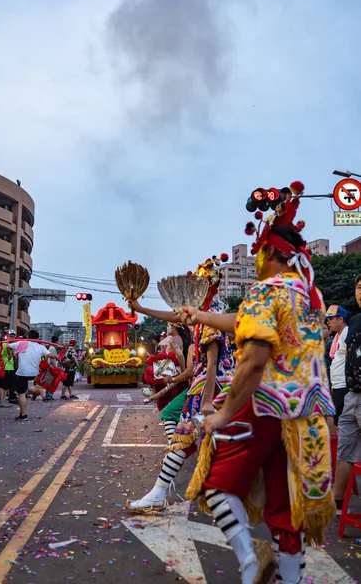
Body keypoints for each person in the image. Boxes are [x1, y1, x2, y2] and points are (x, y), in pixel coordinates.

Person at [182, 184, 335, 584]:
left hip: (265, 407)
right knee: (288, 512)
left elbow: (252, 362)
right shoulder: (309, 296)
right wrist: (200, 315)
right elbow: (241, 322)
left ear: (268, 254)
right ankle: (288, 577)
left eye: (257, 255)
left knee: (215, 483)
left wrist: (222, 414)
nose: (254, 262)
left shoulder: (266, 291)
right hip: (306, 417)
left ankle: (250, 560)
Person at [128, 254, 235, 512]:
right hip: (207, 387)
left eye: (197, 286)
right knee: (187, 439)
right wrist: (140, 309)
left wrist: (207, 399)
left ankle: (163, 492)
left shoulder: (212, 316)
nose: (191, 292)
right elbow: (176, 317)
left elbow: (212, 362)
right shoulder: (203, 313)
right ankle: (160, 492)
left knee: (191, 439)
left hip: (212, 388)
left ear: (209, 287)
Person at [333, 274, 361, 514]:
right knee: (345, 448)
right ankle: (337, 501)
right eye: (360, 287)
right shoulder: (355, 322)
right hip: (351, 393)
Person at [8, 330, 58, 421]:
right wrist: (57, 356)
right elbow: (50, 355)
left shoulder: (21, 343)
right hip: (34, 373)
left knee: (21, 394)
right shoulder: (41, 347)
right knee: (25, 389)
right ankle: (35, 393)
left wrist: (10, 355)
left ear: (28, 337)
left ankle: (23, 415)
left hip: (22, 372)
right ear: (38, 338)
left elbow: (8, 346)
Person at [326, 305, 349, 426]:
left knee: (341, 422)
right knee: (338, 420)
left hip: (344, 384)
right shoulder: (338, 336)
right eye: (328, 319)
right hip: (337, 384)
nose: (328, 322)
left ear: (341, 319)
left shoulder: (346, 333)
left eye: (331, 319)